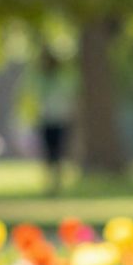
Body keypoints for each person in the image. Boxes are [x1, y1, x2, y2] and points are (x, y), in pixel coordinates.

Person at [35, 48, 76, 195]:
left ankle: (57, 183)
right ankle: (49, 183)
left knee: (57, 153)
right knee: (47, 154)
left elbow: (68, 100)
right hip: (46, 120)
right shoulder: (42, 80)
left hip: (59, 120)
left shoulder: (62, 80)